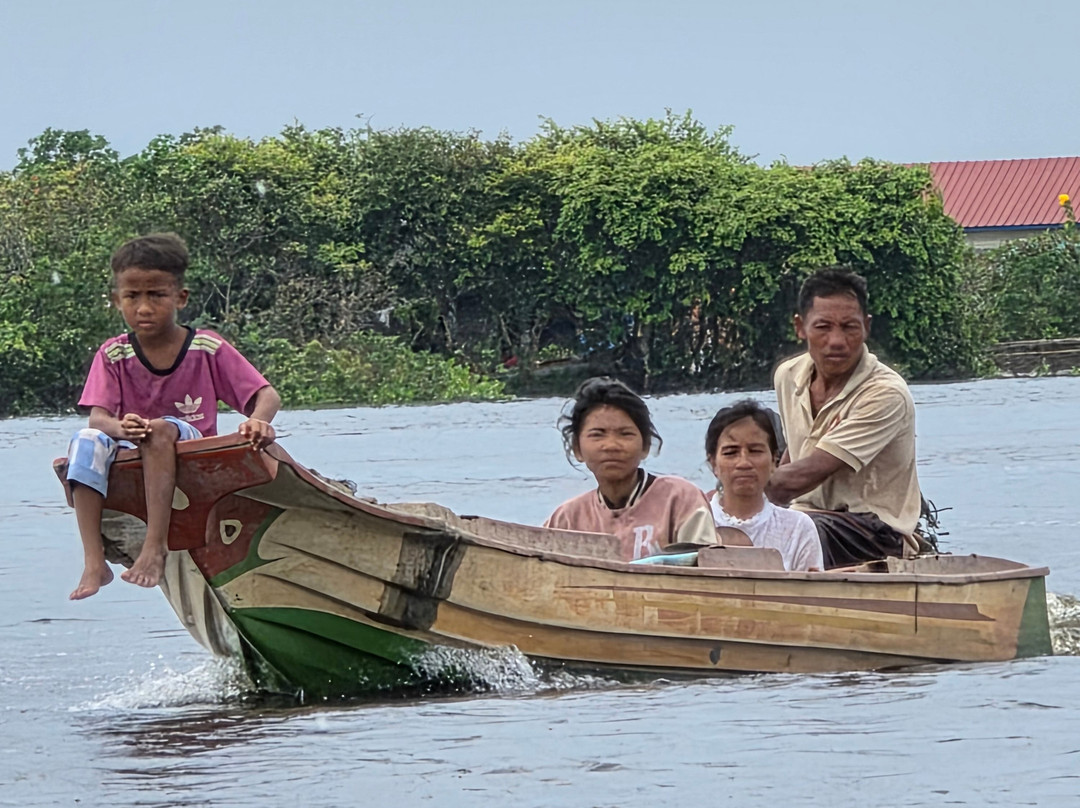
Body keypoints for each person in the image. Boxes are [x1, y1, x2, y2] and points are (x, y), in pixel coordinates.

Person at [65, 233, 281, 600]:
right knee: (84, 441)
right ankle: (94, 561)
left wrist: (258, 420)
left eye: (156, 295)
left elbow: (267, 396)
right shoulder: (114, 354)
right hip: (133, 448)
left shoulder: (206, 348)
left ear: (180, 298)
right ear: (117, 300)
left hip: (191, 449)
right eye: (132, 297)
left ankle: (155, 546)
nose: (144, 308)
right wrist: (121, 427)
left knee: (160, 428)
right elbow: (99, 420)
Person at [766, 267, 921, 568]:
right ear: (800, 327)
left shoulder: (885, 394)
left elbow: (797, 479)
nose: (836, 341)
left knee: (787, 528)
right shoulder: (788, 376)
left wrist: (735, 493)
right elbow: (793, 458)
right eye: (823, 327)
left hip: (874, 531)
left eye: (849, 327)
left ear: (866, 327)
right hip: (806, 516)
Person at [544, 377, 716, 560]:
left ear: (645, 446)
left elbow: (705, 565)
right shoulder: (567, 519)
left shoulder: (680, 499)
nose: (611, 445)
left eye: (625, 434)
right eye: (597, 435)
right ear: (577, 449)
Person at [705, 400, 823, 572]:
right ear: (713, 463)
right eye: (731, 452)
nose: (744, 463)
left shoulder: (798, 527)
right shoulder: (697, 524)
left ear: (774, 460)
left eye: (755, 451)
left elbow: (811, 587)